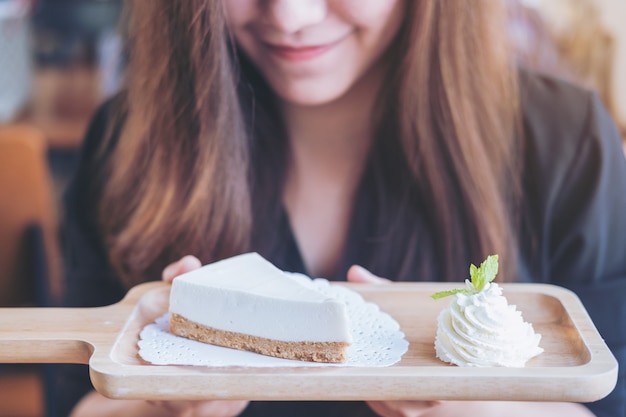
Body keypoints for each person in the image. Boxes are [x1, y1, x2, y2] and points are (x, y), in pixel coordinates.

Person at [56, 1, 626, 416]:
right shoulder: (128, 139)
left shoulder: (567, 142)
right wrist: (166, 408)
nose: (291, 15)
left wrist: (478, 408)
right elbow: (71, 400)